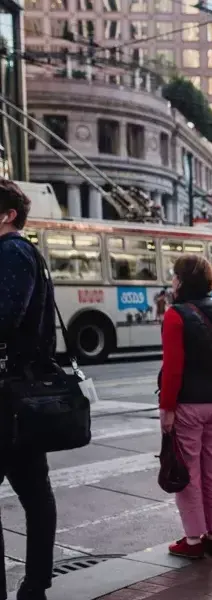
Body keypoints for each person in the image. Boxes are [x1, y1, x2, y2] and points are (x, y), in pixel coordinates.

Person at [159, 254, 212, 559]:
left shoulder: (175, 315)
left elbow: (172, 369)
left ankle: (193, 540)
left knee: (189, 471)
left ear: (181, 281)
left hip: (189, 405)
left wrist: (167, 408)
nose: (172, 281)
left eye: (174, 276)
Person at [0, 181, 58, 600]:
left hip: (9, 395)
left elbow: (5, 316)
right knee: (35, 491)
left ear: (8, 215)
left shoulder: (12, 252)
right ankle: (35, 583)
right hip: (16, 393)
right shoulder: (19, 253)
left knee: (35, 493)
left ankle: (34, 583)